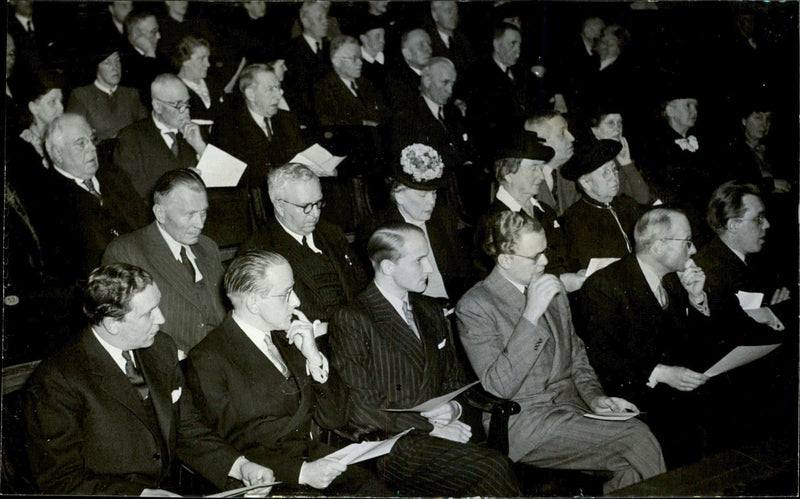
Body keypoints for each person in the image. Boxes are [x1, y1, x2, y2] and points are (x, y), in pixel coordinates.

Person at [457, 211, 666, 493]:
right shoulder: (475, 306)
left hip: (572, 411)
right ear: (505, 259)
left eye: (545, 252)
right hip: (525, 422)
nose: (544, 262)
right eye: (535, 257)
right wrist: (530, 314)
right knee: (637, 439)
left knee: (630, 464)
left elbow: (577, 357)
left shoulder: (551, 290)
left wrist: (595, 398)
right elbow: (500, 386)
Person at [24, 263, 274, 495]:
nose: (161, 319)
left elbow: (186, 428)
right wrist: (139, 495)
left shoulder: (160, 348)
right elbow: (60, 480)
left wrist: (240, 466)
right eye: (148, 313)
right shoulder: (57, 380)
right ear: (112, 324)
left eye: (158, 305)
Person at [330, 223, 520, 496]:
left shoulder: (430, 310)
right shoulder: (354, 318)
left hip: (446, 431)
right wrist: (428, 427)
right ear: (387, 267)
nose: (429, 269)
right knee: (494, 469)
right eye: (419, 261)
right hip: (391, 444)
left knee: (497, 468)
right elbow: (361, 407)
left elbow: (455, 379)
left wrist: (453, 408)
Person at [185, 251, 388, 495]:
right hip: (266, 479)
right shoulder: (210, 357)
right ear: (253, 302)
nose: (297, 302)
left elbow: (335, 419)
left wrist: (313, 358)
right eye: (286, 294)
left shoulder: (289, 338)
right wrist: (301, 472)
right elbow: (228, 446)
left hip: (314, 459)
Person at [574, 208, 716, 467]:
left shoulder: (672, 281)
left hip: (672, 391)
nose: (693, 250)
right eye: (686, 242)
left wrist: (696, 298)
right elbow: (601, 357)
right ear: (659, 246)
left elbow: (691, 344)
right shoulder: (604, 285)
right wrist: (660, 373)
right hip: (632, 394)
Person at [103, 169, 226, 355]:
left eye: (203, 213)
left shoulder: (208, 246)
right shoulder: (127, 252)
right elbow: (124, 329)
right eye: (190, 214)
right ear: (160, 213)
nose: (200, 223)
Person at [239, 163, 368, 324]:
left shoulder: (332, 233)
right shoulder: (260, 249)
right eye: (306, 206)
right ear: (280, 205)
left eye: (318, 203)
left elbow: (361, 285)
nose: (315, 213)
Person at [358, 144, 474, 303]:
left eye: (434, 193)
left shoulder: (444, 217)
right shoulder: (379, 229)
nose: (431, 202)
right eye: (422, 196)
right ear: (398, 195)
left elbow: (463, 271)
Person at [38, 114, 146, 284]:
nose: (92, 148)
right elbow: (72, 268)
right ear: (58, 154)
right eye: (81, 143)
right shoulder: (47, 200)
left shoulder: (113, 175)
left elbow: (143, 222)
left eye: (92, 139)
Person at [475, 131, 585, 293]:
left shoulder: (545, 211)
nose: (541, 176)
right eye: (534, 168)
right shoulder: (492, 221)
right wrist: (559, 282)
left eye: (541, 168)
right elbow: (498, 286)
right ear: (508, 173)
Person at [391, 57, 477, 214]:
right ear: (427, 80)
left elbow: (467, 149)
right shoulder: (407, 114)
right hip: (433, 192)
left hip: (463, 189)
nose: (450, 90)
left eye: (452, 84)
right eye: (445, 83)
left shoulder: (453, 112)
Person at [114, 73, 207, 200]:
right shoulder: (131, 137)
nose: (186, 111)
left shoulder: (194, 132)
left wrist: (200, 147)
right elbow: (132, 194)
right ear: (157, 106)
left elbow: (225, 179)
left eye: (187, 103)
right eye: (178, 105)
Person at [212, 64, 305, 187]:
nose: (279, 95)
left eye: (278, 88)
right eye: (271, 89)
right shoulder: (227, 126)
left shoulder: (287, 119)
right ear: (251, 94)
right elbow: (233, 176)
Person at [560, 139, 644, 272]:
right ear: (586, 183)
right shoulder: (575, 218)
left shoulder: (628, 204)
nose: (614, 177)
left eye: (614, 170)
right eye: (605, 173)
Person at [66, 47, 147, 143]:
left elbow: (146, 129)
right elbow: (76, 136)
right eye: (107, 63)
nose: (115, 67)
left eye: (117, 61)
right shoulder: (81, 96)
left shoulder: (132, 94)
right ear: (96, 67)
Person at [6, 70, 63, 204]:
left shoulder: (63, 137)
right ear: (33, 108)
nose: (61, 108)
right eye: (52, 102)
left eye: (61, 101)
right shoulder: (20, 150)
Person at [583, 102, 652, 204]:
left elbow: (643, 198)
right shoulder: (585, 160)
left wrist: (627, 163)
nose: (618, 128)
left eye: (620, 122)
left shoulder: (618, 158)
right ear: (595, 130)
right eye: (611, 123)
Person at [313, 35, 386, 127]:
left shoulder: (367, 83)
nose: (360, 62)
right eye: (354, 58)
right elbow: (329, 122)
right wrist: (362, 123)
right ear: (336, 61)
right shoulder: (323, 89)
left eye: (360, 57)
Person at [284, 1, 332, 128]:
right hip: (308, 122)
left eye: (326, 17)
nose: (326, 22)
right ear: (305, 21)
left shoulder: (332, 49)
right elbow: (292, 93)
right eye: (319, 18)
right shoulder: (290, 51)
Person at [524, 110, 580, 216]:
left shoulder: (568, 175)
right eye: (562, 133)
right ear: (542, 142)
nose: (572, 138)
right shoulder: (522, 181)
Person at [120, 9, 169, 105]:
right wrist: (149, 53)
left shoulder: (162, 57)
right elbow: (148, 95)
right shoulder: (124, 62)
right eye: (153, 32)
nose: (159, 36)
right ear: (137, 35)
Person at [174, 36, 225, 122]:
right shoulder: (174, 88)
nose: (208, 64)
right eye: (201, 59)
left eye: (208, 58)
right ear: (185, 61)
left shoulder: (214, 83)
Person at [385, 28, 432, 111]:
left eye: (429, 44)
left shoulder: (436, 71)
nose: (429, 50)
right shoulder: (396, 80)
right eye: (421, 46)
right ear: (407, 53)